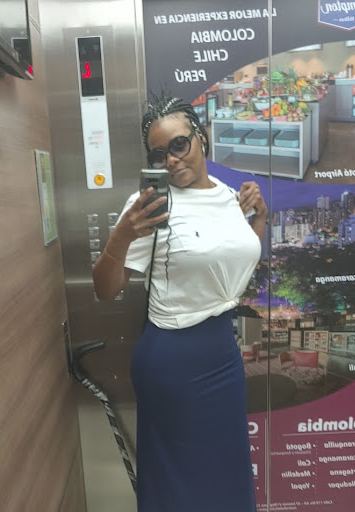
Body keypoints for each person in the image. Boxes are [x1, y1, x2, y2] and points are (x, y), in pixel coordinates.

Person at [92, 94, 267, 512]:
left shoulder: (228, 195)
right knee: (179, 488)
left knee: (226, 474)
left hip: (223, 354)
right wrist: (121, 237)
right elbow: (104, 289)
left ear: (200, 138)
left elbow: (235, 264)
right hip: (171, 361)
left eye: (178, 144)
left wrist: (259, 216)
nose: (170, 160)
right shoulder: (151, 206)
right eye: (159, 153)